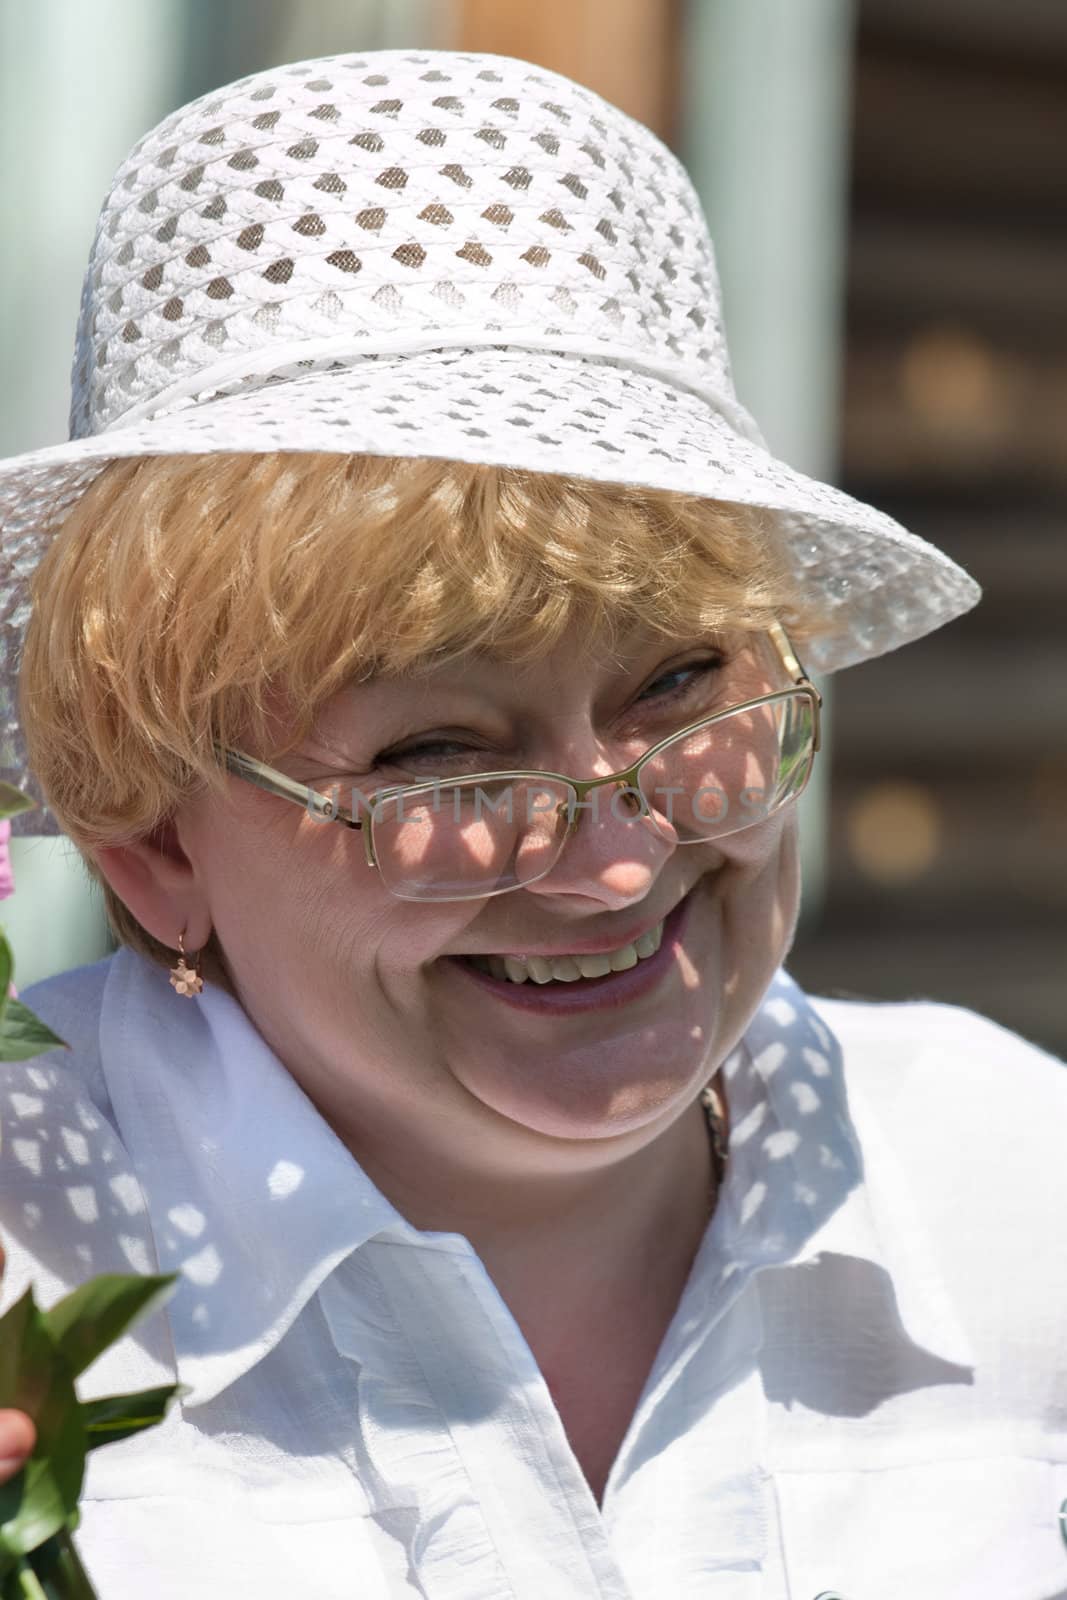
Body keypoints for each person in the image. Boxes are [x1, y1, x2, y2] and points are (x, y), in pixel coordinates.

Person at [0, 47, 1065, 1600]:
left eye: (681, 684)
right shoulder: (30, 1258)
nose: (620, 859)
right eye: (442, 753)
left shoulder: (1012, 1189)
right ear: (154, 846)